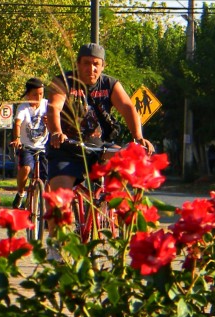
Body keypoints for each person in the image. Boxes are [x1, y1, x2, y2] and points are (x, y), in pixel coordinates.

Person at [45, 43, 154, 258]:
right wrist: (57, 132)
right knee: (59, 194)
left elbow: (127, 107)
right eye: (86, 63)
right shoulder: (63, 81)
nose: (91, 69)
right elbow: (54, 107)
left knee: (124, 182)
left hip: (99, 147)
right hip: (67, 148)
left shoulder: (110, 84)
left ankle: (127, 235)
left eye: (96, 64)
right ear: (77, 64)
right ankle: (55, 246)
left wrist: (138, 137)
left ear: (103, 66)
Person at [9, 77, 49, 209]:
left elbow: (57, 120)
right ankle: (20, 193)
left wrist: (50, 121)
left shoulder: (47, 105)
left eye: (41, 94)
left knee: (47, 178)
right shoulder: (23, 107)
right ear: (27, 95)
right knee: (26, 168)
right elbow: (18, 123)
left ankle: (44, 207)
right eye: (34, 94)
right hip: (27, 146)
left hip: (44, 147)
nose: (38, 97)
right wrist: (17, 139)